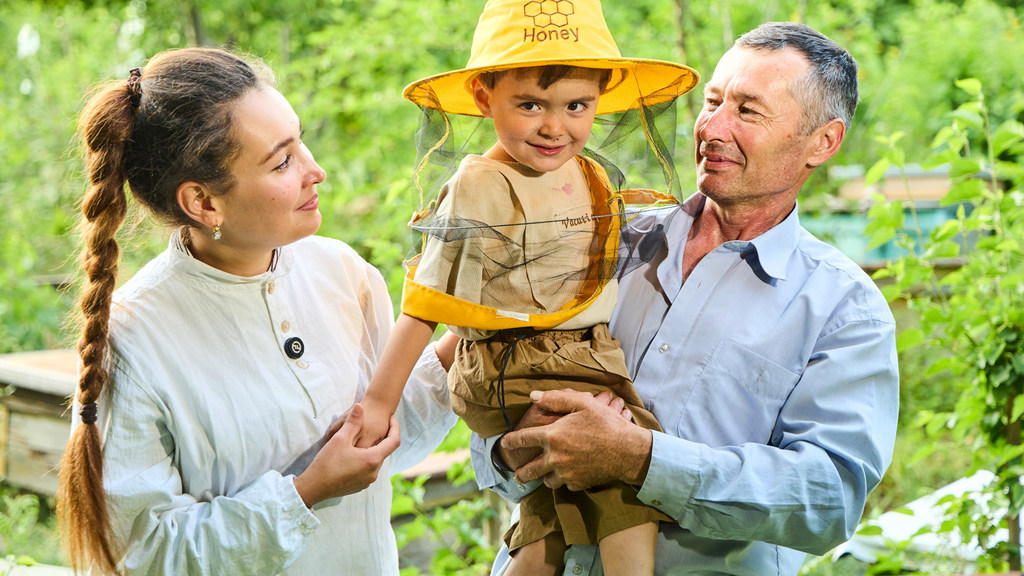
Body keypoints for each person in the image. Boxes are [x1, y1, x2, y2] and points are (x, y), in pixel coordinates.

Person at [473, 21, 900, 576]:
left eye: (748, 111)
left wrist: (640, 458)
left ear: (823, 142)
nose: (712, 128)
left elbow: (827, 499)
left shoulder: (843, 309)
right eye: (712, 102)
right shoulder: (602, 238)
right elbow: (491, 367)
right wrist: (509, 446)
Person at [55, 47, 458, 576]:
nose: (316, 170)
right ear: (204, 203)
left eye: (301, 141)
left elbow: (382, 437)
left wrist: (475, 330)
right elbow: (143, 556)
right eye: (282, 161)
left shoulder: (344, 273)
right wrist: (306, 492)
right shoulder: (134, 339)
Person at [356, 1, 698, 574]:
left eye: (576, 106)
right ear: (484, 96)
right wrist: (378, 405)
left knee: (555, 513)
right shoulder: (481, 185)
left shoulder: (586, 171)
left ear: (601, 98)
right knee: (628, 479)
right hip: (518, 360)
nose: (554, 126)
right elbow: (426, 305)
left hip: (580, 353)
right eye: (531, 104)